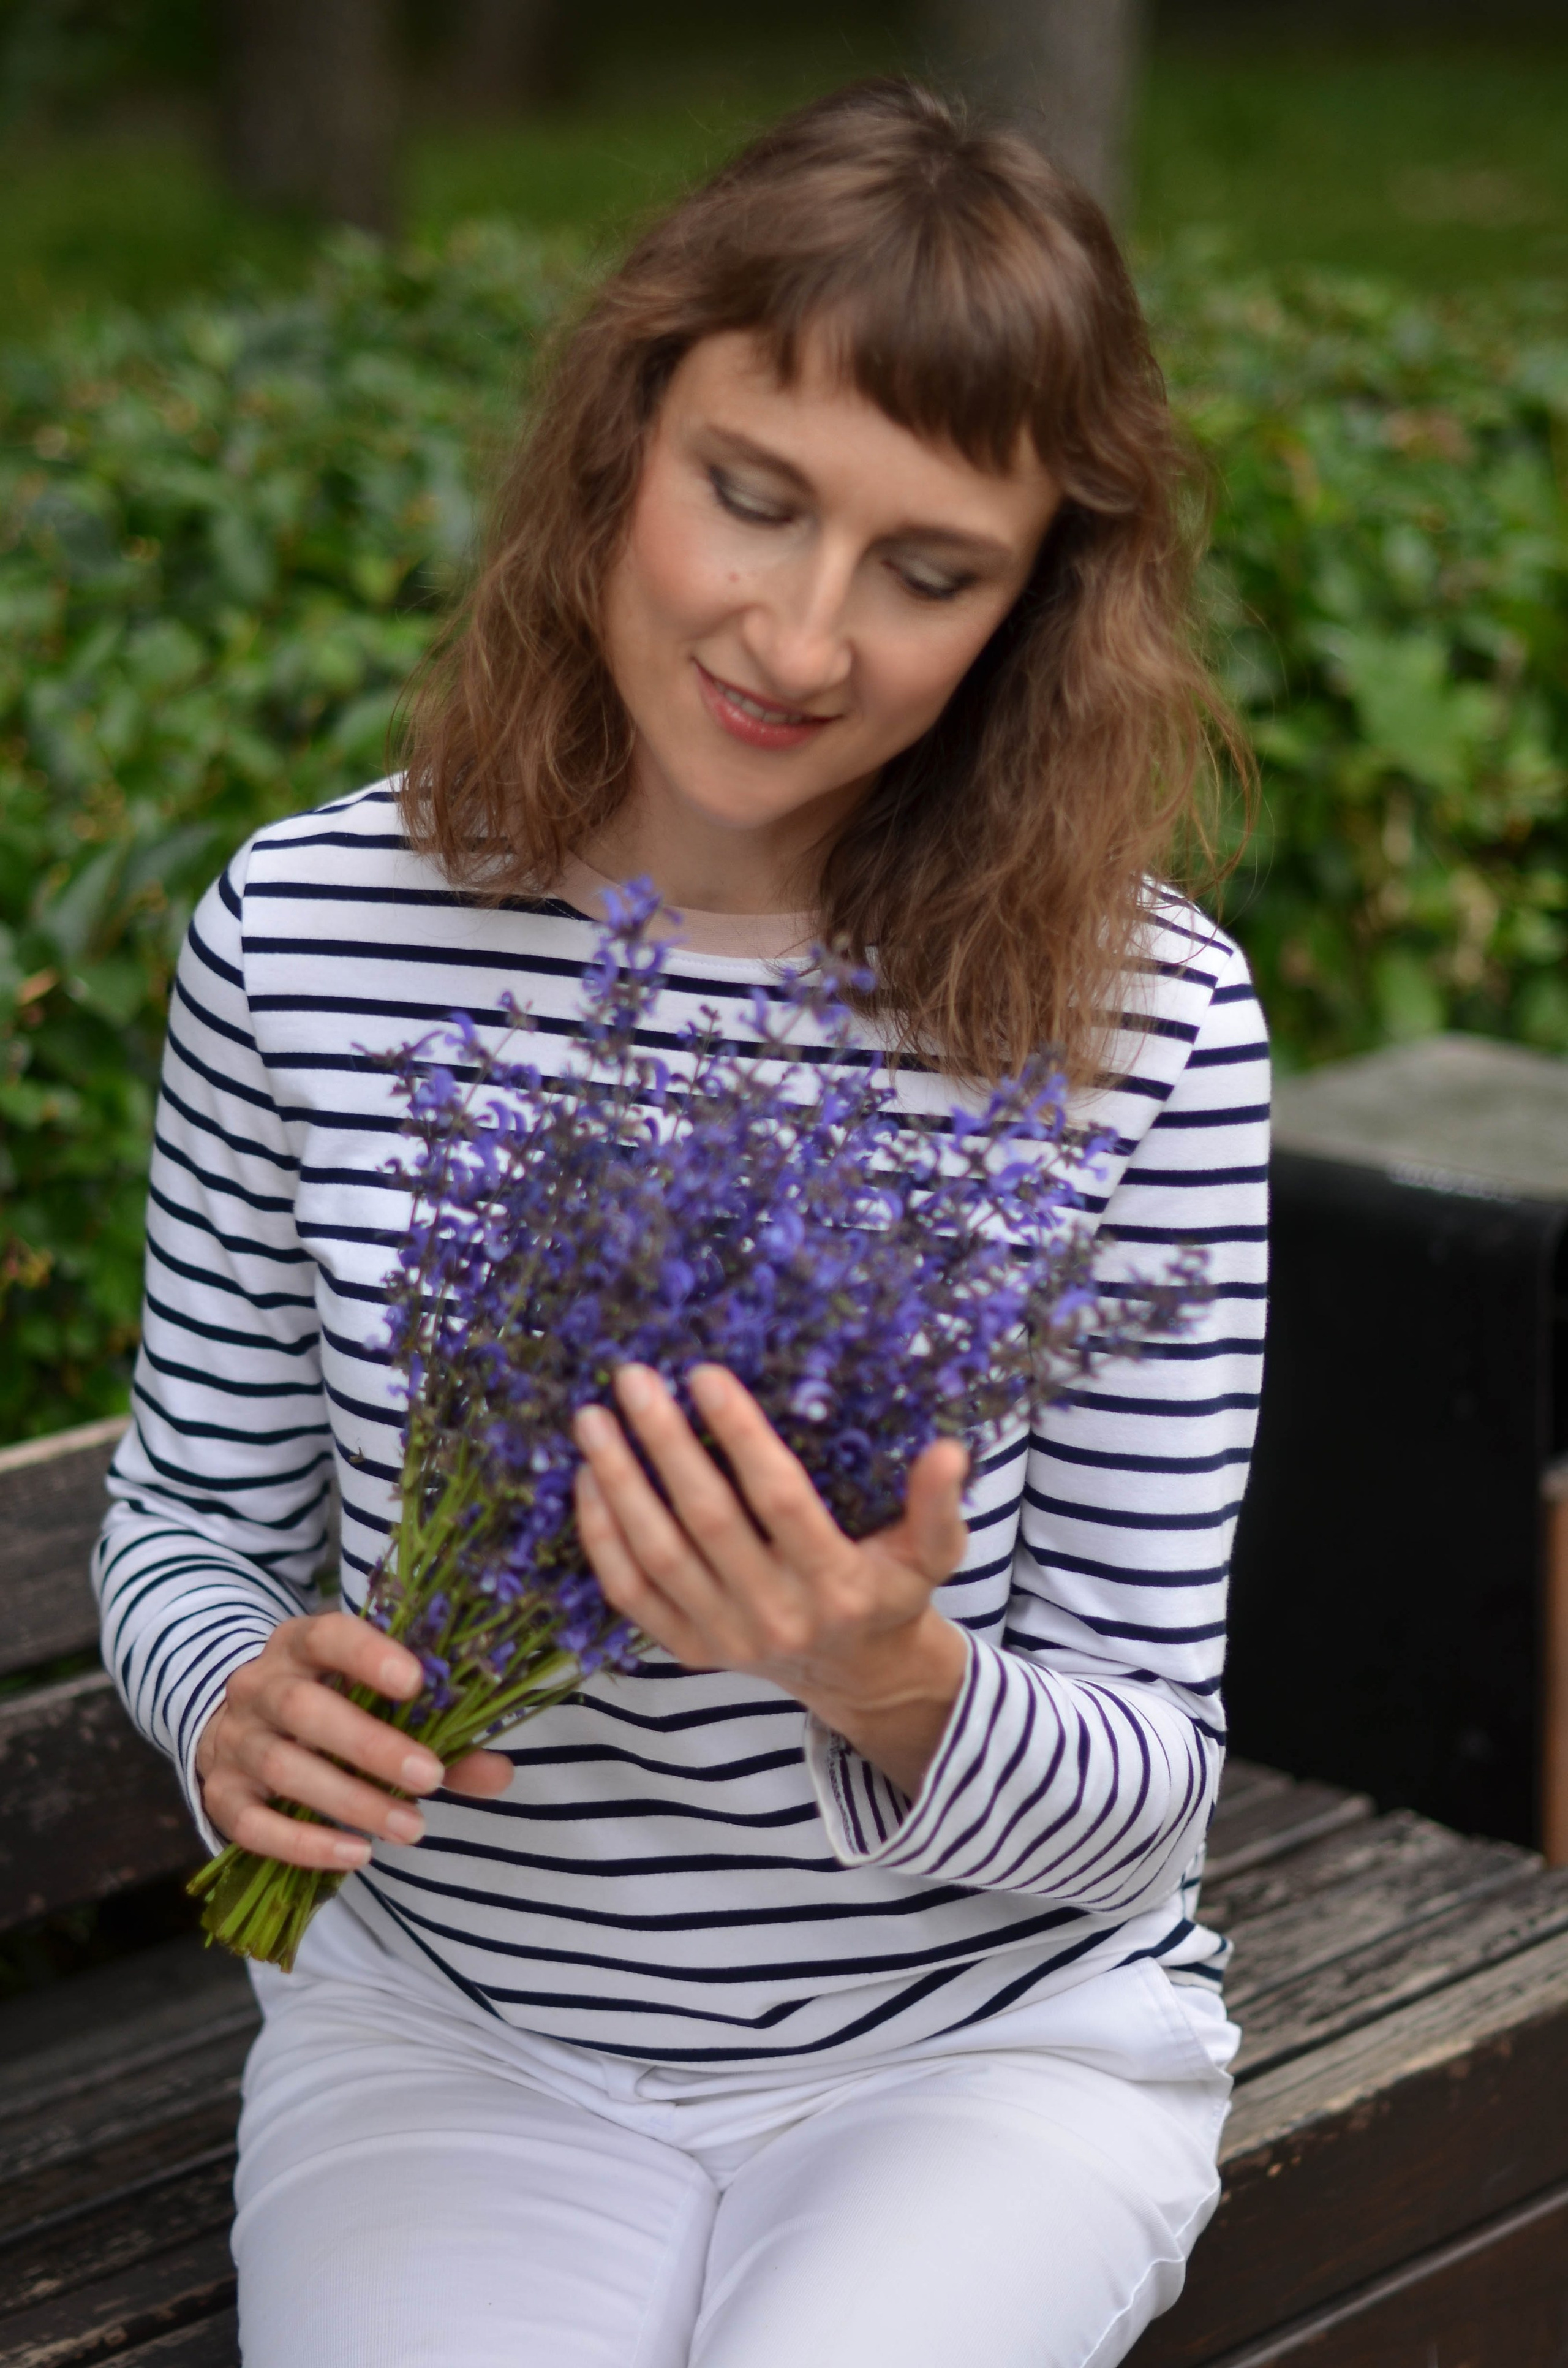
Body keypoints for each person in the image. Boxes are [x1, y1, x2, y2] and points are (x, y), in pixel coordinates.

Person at [94, 79, 1268, 2368]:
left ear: (1033, 605)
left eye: (929, 571)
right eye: (754, 495)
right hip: (450, 2034)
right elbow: (190, 1526)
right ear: (626, 432)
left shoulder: (1144, 1023)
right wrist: (233, 1695)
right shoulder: (308, 932)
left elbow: (1149, 1784)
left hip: (978, 2054)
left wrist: (887, 1677)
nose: (802, 638)